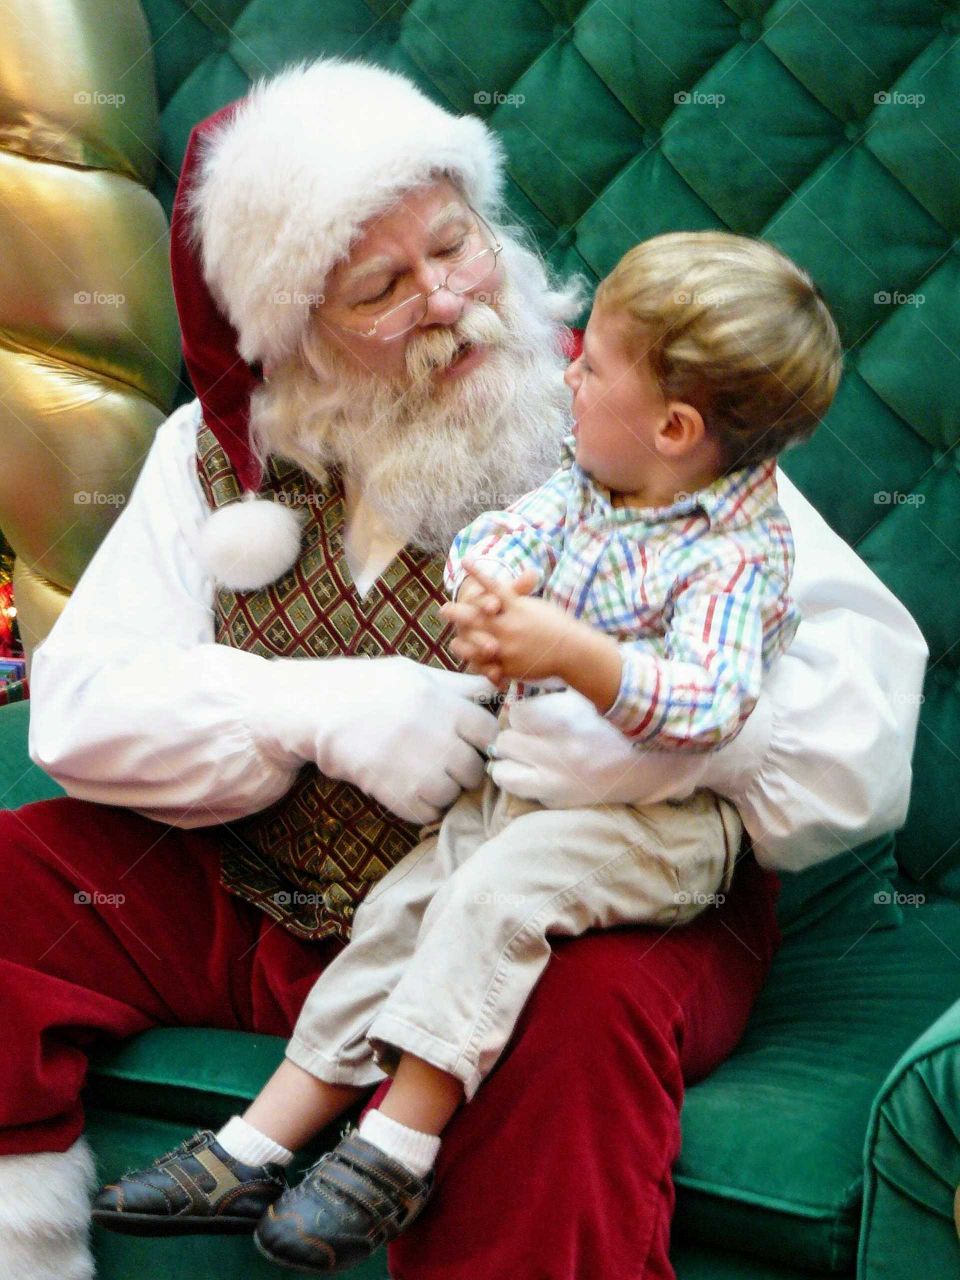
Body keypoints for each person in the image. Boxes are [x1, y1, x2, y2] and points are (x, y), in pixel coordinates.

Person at [0, 58, 925, 1280]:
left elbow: (862, 702)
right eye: (383, 287)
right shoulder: (211, 458)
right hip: (279, 894)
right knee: (22, 880)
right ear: (292, 337)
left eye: (457, 243)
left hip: (582, 895)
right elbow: (77, 704)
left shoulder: (627, 418)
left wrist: (662, 738)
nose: (448, 300)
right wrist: (307, 706)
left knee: (569, 1013)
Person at [92, 230, 844, 1275]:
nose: (570, 368)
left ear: (675, 426)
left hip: (652, 829)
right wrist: (494, 585)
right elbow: (514, 531)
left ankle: (394, 1144)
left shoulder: (738, 552)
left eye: (594, 367)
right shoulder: (594, 480)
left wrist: (572, 653)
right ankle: (256, 1143)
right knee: (406, 910)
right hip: (525, 793)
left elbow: (706, 704)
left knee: (494, 896)